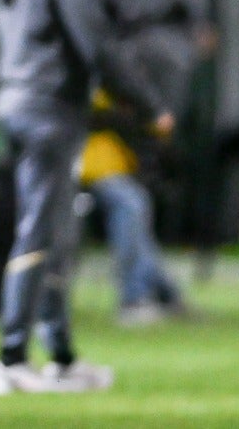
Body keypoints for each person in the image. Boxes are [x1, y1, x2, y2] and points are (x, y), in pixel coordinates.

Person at [0, 0, 174, 395]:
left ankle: (61, 356)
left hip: (17, 97)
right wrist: (150, 105)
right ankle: (11, 359)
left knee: (58, 230)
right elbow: (99, 48)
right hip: (50, 109)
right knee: (41, 228)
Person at [79, 90, 185, 326]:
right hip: (83, 163)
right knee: (131, 205)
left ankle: (164, 292)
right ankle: (135, 297)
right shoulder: (95, 75)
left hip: (112, 163)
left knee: (135, 209)